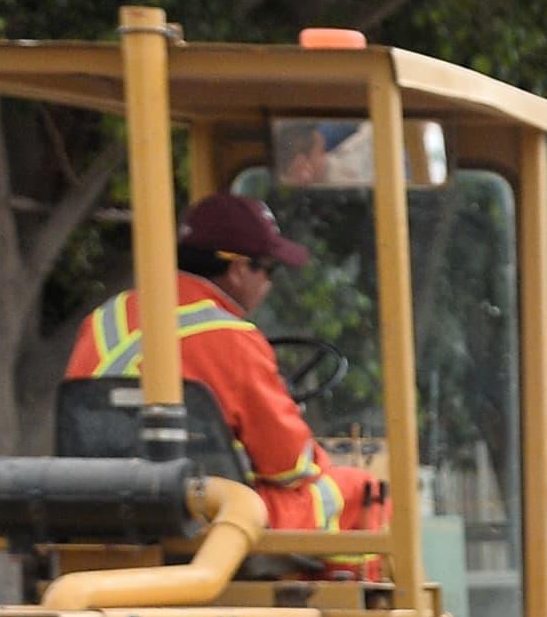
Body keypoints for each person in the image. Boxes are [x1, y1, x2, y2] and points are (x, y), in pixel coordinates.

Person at [62, 191, 371, 539]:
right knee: (362, 491)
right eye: (270, 270)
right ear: (239, 269)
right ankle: (349, 589)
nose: (269, 284)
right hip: (205, 519)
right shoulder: (232, 338)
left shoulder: (106, 318)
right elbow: (290, 466)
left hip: (99, 508)